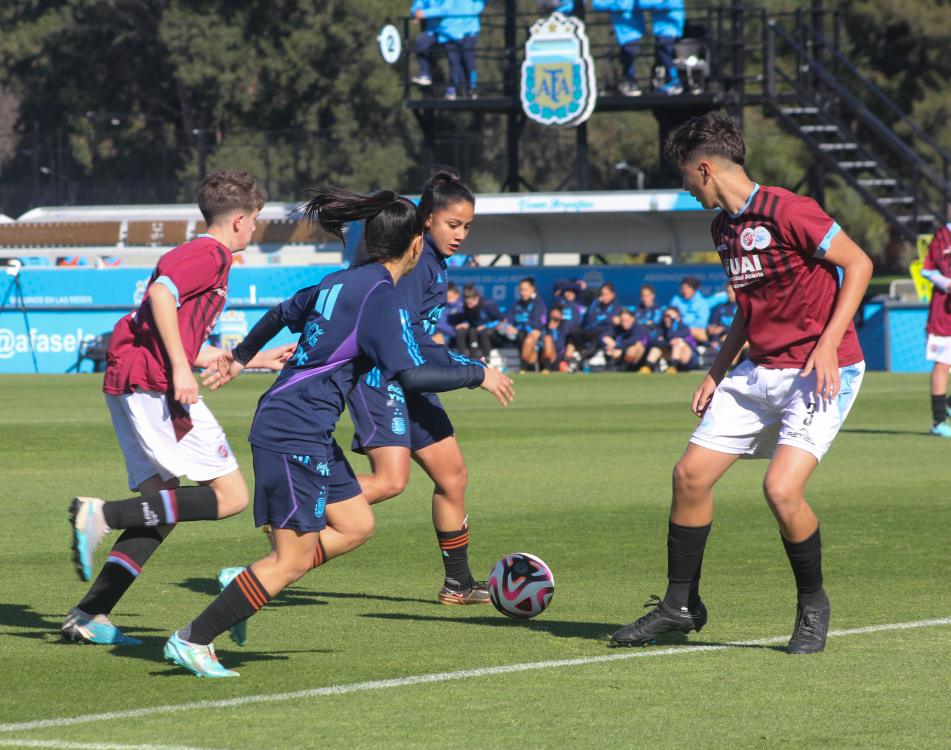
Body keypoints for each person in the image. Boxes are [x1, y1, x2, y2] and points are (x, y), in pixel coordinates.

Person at [165, 187, 514, 677]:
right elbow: (411, 375)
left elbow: (282, 313)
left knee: (355, 525)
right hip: (294, 430)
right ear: (415, 243)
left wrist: (242, 356)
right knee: (292, 558)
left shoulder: (342, 280)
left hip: (302, 425)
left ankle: (241, 593)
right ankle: (193, 638)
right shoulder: (382, 298)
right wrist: (478, 374)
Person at [611, 111, 872, 654]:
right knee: (689, 476)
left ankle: (813, 606)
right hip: (761, 369)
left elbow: (860, 264)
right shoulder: (722, 226)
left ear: (704, 168)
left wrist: (827, 343)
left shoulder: (786, 208)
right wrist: (718, 368)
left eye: (685, 175)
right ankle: (680, 605)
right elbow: (747, 307)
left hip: (823, 370)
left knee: (780, 489)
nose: (684, 186)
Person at [62, 170, 293, 646]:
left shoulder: (202, 253)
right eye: (255, 222)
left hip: (132, 378)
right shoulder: (211, 254)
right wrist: (181, 371)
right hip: (153, 383)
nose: (255, 231)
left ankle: (89, 613)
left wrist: (248, 359)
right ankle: (102, 514)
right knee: (231, 497)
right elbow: (160, 296)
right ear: (240, 220)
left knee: (159, 512)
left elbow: (183, 336)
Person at [345, 170, 501, 606]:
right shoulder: (417, 263)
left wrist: (466, 365)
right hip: (385, 379)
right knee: (390, 482)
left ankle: (458, 584)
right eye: (454, 225)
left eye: (467, 226)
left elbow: (420, 340)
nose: (461, 234)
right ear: (427, 220)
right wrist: (475, 373)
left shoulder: (434, 262)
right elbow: (406, 340)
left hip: (413, 380)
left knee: (452, 477)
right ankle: (300, 505)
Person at [411, 1, 485, 100]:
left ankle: (470, 89)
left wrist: (471, 11)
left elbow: (446, 9)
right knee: (455, 59)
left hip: (463, 29)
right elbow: (417, 6)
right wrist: (416, 12)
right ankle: (460, 90)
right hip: (447, 30)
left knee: (466, 57)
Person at [919, 222, 951, 437]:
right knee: (943, 364)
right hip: (944, 313)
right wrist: (947, 284)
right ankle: (939, 421)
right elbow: (927, 270)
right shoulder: (943, 236)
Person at [562, 282, 624, 371]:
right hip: (593, 331)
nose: (604, 297)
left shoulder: (617, 307)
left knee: (600, 337)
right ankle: (580, 354)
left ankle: (583, 357)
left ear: (613, 295)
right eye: (602, 294)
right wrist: (595, 303)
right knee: (574, 331)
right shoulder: (597, 304)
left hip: (606, 333)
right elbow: (590, 320)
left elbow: (610, 322)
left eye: (606, 294)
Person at [592, 0, 647, 97]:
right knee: (624, 57)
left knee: (629, 55)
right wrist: (614, 5)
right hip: (619, 32)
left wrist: (612, 5)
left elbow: (625, 6)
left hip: (633, 30)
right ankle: (626, 83)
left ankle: (632, 84)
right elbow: (597, 4)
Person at [496, 277, 548, 373]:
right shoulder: (517, 305)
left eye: (525, 289)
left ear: (532, 289)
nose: (522, 292)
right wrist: (507, 327)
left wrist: (518, 328)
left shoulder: (538, 304)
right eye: (521, 290)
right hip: (518, 337)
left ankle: (525, 368)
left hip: (534, 339)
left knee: (530, 338)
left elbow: (536, 324)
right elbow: (510, 320)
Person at [638, 306, 698, 373]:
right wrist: (668, 343)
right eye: (666, 316)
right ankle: (647, 367)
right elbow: (653, 341)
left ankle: (673, 367)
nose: (667, 319)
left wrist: (673, 323)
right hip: (670, 357)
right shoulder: (661, 328)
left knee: (678, 342)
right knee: (657, 347)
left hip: (687, 361)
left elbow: (672, 336)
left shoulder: (684, 328)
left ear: (678, 317)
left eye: (670, 316)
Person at [456, 283, 505, 360]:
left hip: (491, 333)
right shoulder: (466, 306)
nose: (469, 306)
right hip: (475, 332)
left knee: (484, 332)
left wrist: (486, 326)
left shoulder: (488, 305)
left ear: (477, 298)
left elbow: (502, 320)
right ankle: (462, 359)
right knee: (464, 331)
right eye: (467, 304)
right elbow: (469, 320)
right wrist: (465, 324)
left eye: (471, 303)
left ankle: (487, 359)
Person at [669, 275, 711, 343]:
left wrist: (684, 327)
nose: (685, 290)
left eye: (688, 288)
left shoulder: (702, 302)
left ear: (694, 289)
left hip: (695, 331)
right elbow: (670, 317)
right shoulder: (676, 300)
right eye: (683, 287)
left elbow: (702, 323)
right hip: (677, 331)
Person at [432, 281, 463, 346]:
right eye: (446, 297)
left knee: (437, 338)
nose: (448, 300)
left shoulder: (462, 307)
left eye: (450, 297)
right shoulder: (441, 306)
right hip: (434, 333)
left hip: (450, 337)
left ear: (457, 295)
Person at [540, 305, 570, 372]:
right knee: (547, 338)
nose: (553, 321)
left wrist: (553, 330)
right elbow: (541, 344)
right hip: (543, 357)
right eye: (551, 318)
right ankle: (546, 367)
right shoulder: (545, 328)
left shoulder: (564, 329)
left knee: (548, 338)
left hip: (557, 358)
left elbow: (558, 346)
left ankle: (548, 368)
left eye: (556, 319)